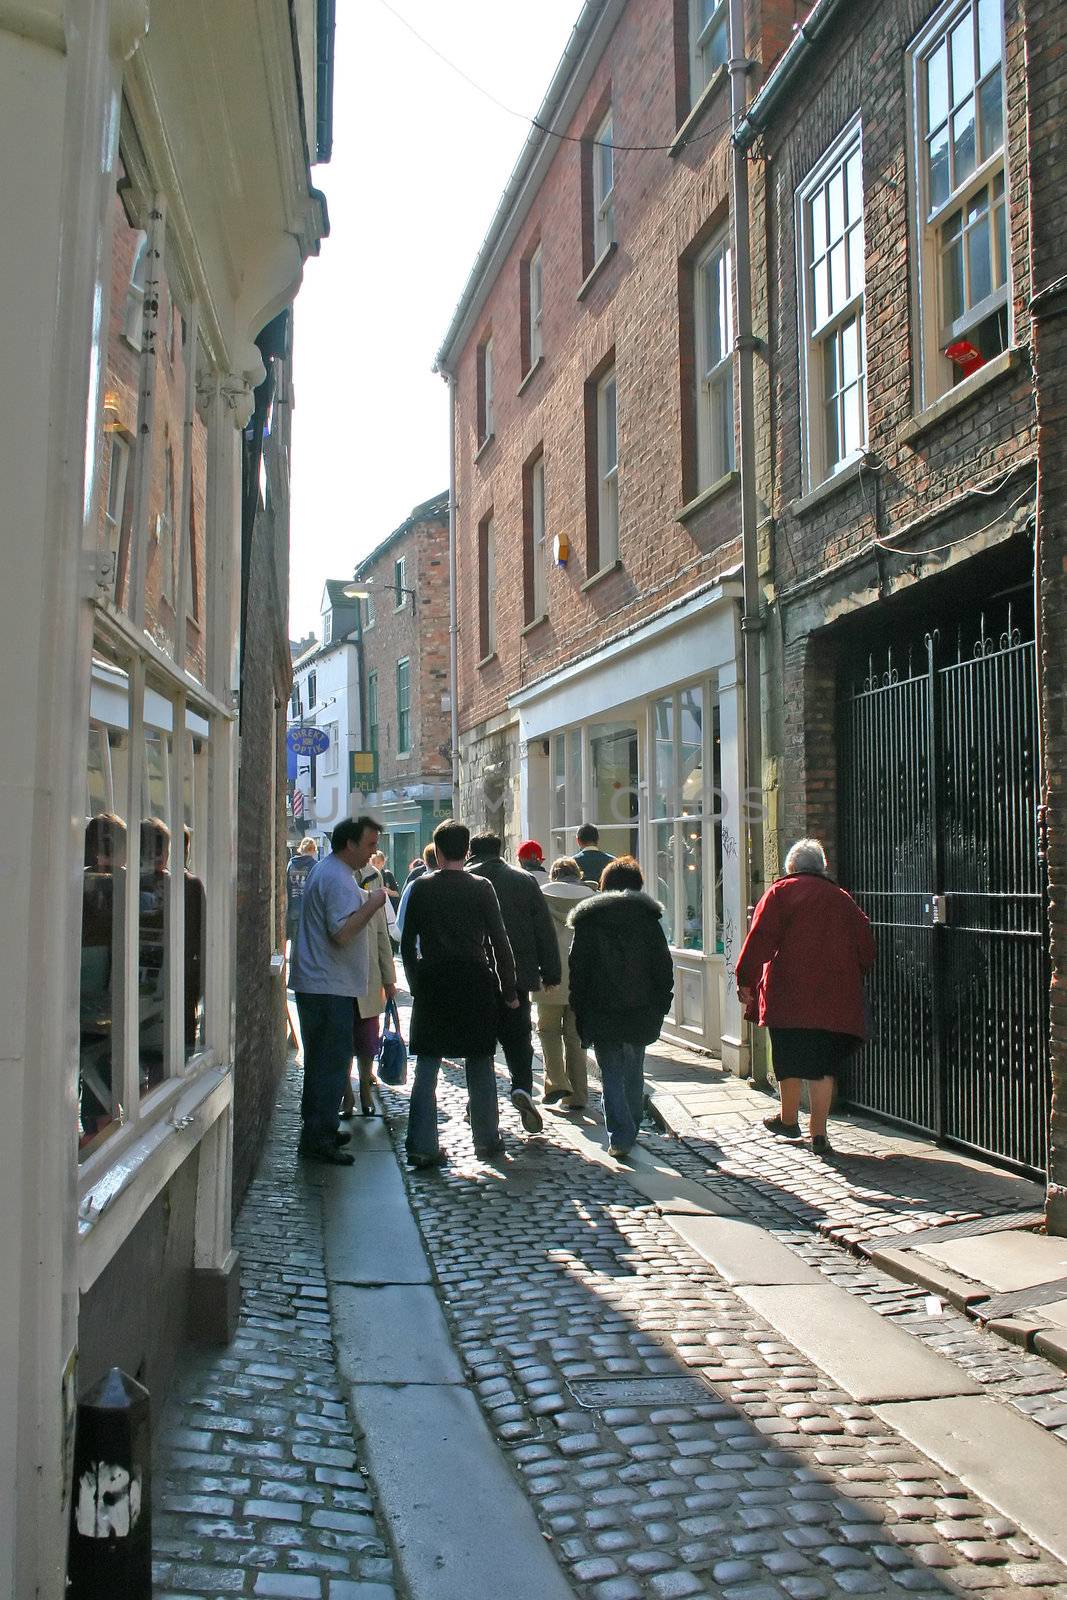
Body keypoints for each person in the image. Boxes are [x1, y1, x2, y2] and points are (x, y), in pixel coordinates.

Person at [734, 837, 875, 1156]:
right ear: (821, 867)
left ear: (792, 867)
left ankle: (788, 1120)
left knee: (788, 1057)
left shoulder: (780, 893)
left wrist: (746, 978)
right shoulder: (841, 898)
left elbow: (760, 938)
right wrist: (858, 969)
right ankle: (819, 1132)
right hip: (834, 997)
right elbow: (865, 941)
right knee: (822, 1065)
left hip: (788, 994)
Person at [401, 820, 519, 1167]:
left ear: (436, 852)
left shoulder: (422, 888)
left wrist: (416, 981)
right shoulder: (481, 888)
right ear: (466, 852)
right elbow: (500, 942)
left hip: (434, 981)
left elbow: (408, 944)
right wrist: (508, 989)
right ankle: (485, 1139)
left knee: (427, 1065)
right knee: (480, 1061)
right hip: (474, 981)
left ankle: (422, 1144)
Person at [290, 816, 387, 1165]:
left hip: (322, 984)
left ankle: (321, 1129)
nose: (373, 852)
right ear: (351, 844)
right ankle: (319, 1139)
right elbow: (342, 933)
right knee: (330, 1063)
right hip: (327, 986)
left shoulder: (332, 872)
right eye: (369, 845)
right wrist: (373, 904)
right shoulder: (336, 878)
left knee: (323, 1063)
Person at [569, 856, 674, 1159]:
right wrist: (661, 1003)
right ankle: (631, 1125)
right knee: (633, 1070)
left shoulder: (588, 921)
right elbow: (662, 967)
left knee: (611, 1073)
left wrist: (579, 1007)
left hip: (601, 1009)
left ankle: (620, 1133)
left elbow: (578, 969)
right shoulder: (648, 920)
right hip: (639, 1008)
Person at [467, 832, 561, 1133]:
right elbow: (543, 929)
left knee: (480, 1041)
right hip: (519, 974)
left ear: (472, 852)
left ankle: (479, 1100)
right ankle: (521, 1085)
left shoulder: (463, 881)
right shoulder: (523, 881)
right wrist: (551, 973)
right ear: (502, 851)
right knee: (518, 1037)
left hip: (477, 974)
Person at [341, 854, 398, 1119]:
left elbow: (381, 936)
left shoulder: (373, 878)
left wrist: (389, 978)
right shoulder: (335, 877)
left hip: (368, 976)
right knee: (342, 1039)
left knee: (367, 1040)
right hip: (339, 977)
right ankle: (346, 1092)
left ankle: (364, 1086)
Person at [536, 857, 595, 1110]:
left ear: (553, 875)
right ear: (577, 874)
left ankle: (556, 1081)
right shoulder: (591, 898)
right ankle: (579, 1095)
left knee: (548, 1031)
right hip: (581, 975)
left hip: (548, 975)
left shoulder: (540, 896)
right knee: (575, 1036)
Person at [286, 837, 318, 944]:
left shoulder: (291, 864)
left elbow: (287, 887)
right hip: (310, 913)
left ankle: (294, 961)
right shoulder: (315, 866)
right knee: (309, 946)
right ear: (313, 850)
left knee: (295, 945)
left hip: (294, 910)